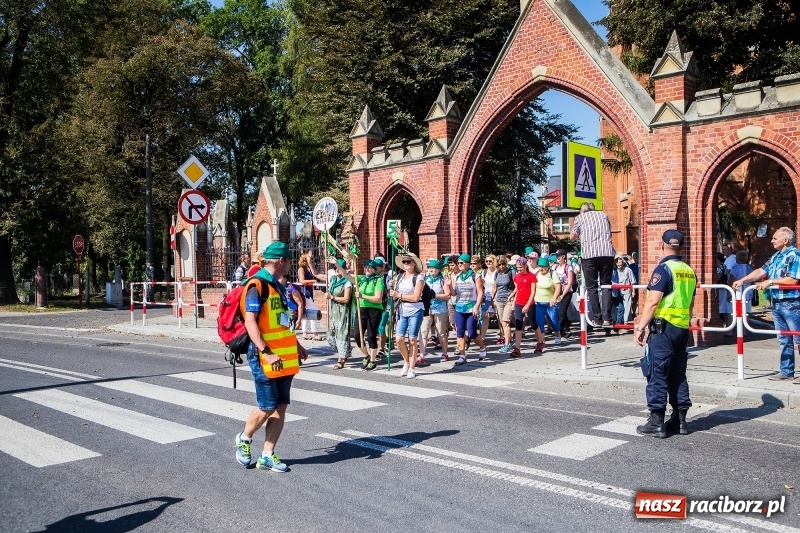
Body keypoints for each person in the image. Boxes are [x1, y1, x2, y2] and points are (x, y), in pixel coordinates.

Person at [235, 241, 308, 472]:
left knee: (281, 406)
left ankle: (267, 454)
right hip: (265, 356)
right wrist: (266, 353)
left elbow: (281, 321)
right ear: (281, 261)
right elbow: (250, 322)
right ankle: (244, 438)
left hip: (284, 356)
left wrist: (297, 346)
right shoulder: (257, 285)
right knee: (267, 406)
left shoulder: (278, 286)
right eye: (289, 260)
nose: (290, 265)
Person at [634, 230, 697, 438]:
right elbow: (690, 302)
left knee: (657, 373)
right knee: (678, 374)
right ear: (681, 246)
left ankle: (656, 420)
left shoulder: (663, 269)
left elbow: (653, 301)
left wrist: (641, 326)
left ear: (663, 245)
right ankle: (680, 420)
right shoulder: (688, 270)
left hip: (663, 329)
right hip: (682, 329)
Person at [732, 227, 800, 382]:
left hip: (791, 303)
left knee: (798, 338)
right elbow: (761, 271)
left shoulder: (794, 255)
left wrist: (770, 282)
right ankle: (786, 371)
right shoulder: (776, 256)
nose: (772, 240)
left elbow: (792, 280)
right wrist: (743, 280)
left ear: (785, 240)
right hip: (777, 303)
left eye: (775, 238)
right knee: (783, 339)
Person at [332, 259, 385, 371]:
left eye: (369, 267)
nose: (367, 269)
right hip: (361, 309)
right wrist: (336, 263)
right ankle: (366, 355)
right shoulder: (360, 279)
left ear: (374, 270)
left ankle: (372, 360)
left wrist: (362, 296)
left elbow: (378, 298)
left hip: (374, 310)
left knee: (371, 335)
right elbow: (346, 275)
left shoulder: (378, 280)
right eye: (365, 267)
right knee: (357, 335)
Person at [570, 202, 616, 328]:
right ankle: (607, 318)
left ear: (582, 210)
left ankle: (598, 318)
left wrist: (579, 236)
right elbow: (610, 233)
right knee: (606, 284)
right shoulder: (604, 215)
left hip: (590, 254)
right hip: (607, 252)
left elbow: (572, 236)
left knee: (592, 287)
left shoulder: (580, 218)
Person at [390, 252, 425, 378]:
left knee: (412, 339)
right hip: (402, 310)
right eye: (404, 262)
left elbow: (416, 297)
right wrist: (393, 290)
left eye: (408, 261)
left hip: (415, 310)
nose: (406, 264)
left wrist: (399, 295)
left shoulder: (419, 278)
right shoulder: (399, 277)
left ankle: (412, 367)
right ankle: (406, 361)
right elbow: (395, 295)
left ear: (414, 263)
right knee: (399, 339)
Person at [451, 253, 487, 365]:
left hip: (471, 307)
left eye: (462, 263)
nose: (460, 265)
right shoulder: (456, 277)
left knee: (472, 332)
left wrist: (477, 307)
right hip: (459, 307)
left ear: (468, 264)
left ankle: (482, 347)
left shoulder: (475, 276)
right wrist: (448, 285)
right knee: (459, 332)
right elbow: (453, 293)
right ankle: (462, 355)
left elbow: (480, 292)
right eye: (459, 263)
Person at [419, 259, 452, 362]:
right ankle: (421, 355)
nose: (431, 270)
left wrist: (434, 295)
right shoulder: (424, 279)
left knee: (441, 332)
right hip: (427, 308)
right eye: (429, 268)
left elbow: (447, 295)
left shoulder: (442, 280)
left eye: (433, 268)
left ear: (438, 269)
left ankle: (445, 353)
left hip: (440, 309)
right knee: (423, 331)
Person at [326, 259, 353, 369]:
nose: (337, 270)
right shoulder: (333, 280)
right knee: (330, 336)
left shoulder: (347, 282)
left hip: (343, 311)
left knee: (341, 335)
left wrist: (332, 297)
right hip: (334, 311)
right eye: (335, 268)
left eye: (340, 268)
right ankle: (345, 351)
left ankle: (341, 360)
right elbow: (317, 275)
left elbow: (346, 299)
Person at [510, 255, 539, 357]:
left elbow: (532, 292)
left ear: (525, 266)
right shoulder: (516, 277)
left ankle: (540, 342)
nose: (519, 269)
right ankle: (517, 348)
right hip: (519, 302)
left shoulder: (532, 276)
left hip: (529, 303)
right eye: (517, 268)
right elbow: (517, 289)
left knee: (533, 323)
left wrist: (527, 304)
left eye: (521, 267)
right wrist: (513, 297)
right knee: (518, 325)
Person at [298, 250, 326, 341]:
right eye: (309, 256)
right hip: (305, 293)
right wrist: (313, 281)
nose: (311, 258)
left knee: (307, 314)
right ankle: (314, 333)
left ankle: (305, 333)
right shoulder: (301, 269)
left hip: (309, 292)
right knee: (314, 312)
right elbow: (302, 281)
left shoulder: (308, 269)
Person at [533, 257, 560, 348]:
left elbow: (558, 287)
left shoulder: (553, 274)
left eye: (543, 266)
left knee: (553, 320)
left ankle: (557, 334)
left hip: (550, 302)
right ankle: (542, 340)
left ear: (548, 266)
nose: (541, 268)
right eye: (540, 266)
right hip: (538, 302)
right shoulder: (537, 274)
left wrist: (554, 298)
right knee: (539, 321)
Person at [494, 257, 516, 353]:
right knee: (501, 323)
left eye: (503, 264)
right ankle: (509, 340)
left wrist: (512, 295)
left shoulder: (511, 272)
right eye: (499, 265)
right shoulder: (497, 273)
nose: (502, 266)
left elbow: (517, 286)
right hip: (499, 300)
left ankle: (507, 344)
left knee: (505, 322)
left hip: (509, 300)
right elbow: (495, 287)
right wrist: (491, 299)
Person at [552, 249, 575, 339]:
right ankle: (568, 330)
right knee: (560, 312)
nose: (557, 258)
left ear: (563, 257)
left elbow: (569, 283)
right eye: (556, 256)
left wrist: (562, 295)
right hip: (557, 291)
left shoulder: (568, 268)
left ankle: (560, 331)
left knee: (562, 312)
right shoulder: (555, 267)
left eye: (558, 256)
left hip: (567, 292)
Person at [728, 250, 754, 318]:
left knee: (738, 310)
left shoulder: (735, 268)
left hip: (738, 290)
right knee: (746, 312)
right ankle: (746, 326)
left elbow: (731, 280)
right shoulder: (749, 267)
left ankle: (738, 326)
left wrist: (729, 293)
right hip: (748, 290)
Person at [612, 255, 636, 329]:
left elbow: (632, 281)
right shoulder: (614, 271)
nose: (619, 265)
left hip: (627, 291)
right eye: (618, 263)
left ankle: (625, 323)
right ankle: (617, 322)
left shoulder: (628, 270)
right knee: (619, 308)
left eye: (620, 263)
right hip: (617, 292)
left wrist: (633, 291)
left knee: (627, 307)